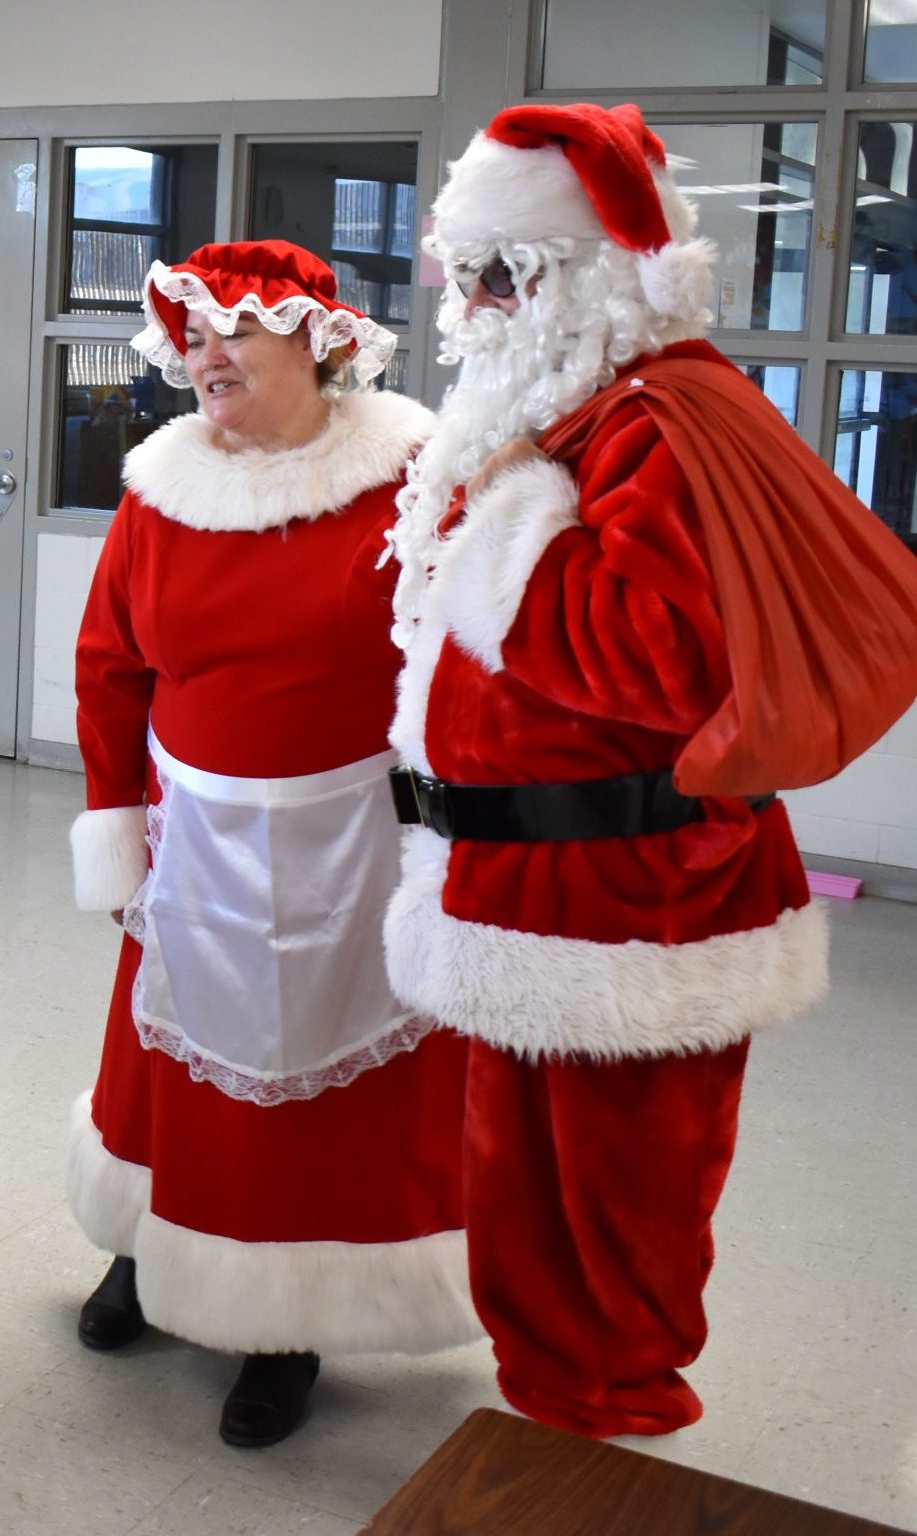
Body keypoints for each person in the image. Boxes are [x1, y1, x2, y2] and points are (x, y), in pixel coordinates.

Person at [385, 103, 917, 1437]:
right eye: (467, 275)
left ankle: (603, 1465)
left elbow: (660, 656)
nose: (475, 308)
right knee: (529, 1225)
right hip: (535, 895)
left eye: (504, 277)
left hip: (628, 904)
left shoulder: (656, 424)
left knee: (607, 1241)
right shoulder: (572, 411)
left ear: (583, 282)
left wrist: (507, 523)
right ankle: (557, 1452)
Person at [65, 241, 482, 1449]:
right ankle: (147, 1255)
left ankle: (285, 1317)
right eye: (188, 334)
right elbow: (108, 669)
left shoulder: (408, 482)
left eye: (232, 330)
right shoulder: (158, 490)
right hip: (190, 833)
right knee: (167, 1069)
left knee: (315, 1086)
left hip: (350, 840)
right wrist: (114, 826)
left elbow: (462, 659)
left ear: (314, 341)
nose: (204, 354)